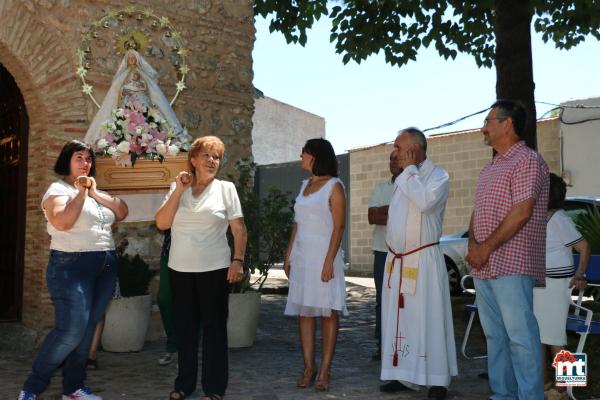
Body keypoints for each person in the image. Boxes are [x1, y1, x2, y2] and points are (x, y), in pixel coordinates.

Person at [17, 140, 128, 400]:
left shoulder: (94, 190)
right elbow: (63, 222)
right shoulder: (57, 190)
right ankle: (32, 388)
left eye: (89, 159)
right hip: (71, 266)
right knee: (70, 331)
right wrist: (80, 193)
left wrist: (94, 193)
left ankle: (73, 388)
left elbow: (122, 211)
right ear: (66, 160)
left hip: (105, 265)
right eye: (79, 158)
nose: (85, 163)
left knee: (87, 329)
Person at [466, 100, 549, 400]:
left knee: (521, 339)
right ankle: (502, 395)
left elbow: (522, 211)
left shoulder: (528, 160)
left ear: (507, 124)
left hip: (513, 265)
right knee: (495, 337)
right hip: (485, 265)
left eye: (488, 121)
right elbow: (478, 212)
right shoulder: (490, 167)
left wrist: (485, 247)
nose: (483, 127)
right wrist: (473, 246)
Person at [155, 136, 247, 400]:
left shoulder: (226, 189)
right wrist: (179, 191)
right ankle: (184, 385)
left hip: (216, 268)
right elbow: (162, 223)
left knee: (214, 330)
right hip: (180, 269)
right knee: (185, 329)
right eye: (206, 155)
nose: (212, 161)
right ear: (193, 160)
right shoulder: (178, 187)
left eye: (216, 156)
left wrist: (238, 260)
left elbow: (239, 230)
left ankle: (214, 389)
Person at [380, 128, 457, 399]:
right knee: (400, 320)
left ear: (414, 148)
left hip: (423, 260)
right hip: (399, 261)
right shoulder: (404, 178)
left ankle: (437, 378)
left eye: (399, 148)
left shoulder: (438, 175)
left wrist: (410, 170)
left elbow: (424, 202)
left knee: (429, 316)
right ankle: (402, 374)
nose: (395, 153)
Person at [284, 138, 348, 392]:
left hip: (325, 257)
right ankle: (309, 366)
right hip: (303, 257)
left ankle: (325, 369)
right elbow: (297, 223)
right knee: (305, 312)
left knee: (327, 312)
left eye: (305, 152)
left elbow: (339, 226)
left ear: (315, 156)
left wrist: (329, 261)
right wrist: (288, 254)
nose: (301, 156)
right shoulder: (304, 186)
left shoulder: (334, 186)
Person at [534, 173, 590, 399]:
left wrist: (580, 273)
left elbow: (584, 248)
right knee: (537, 336)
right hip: (539, 285)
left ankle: (566, 388)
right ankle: (543, 382)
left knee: (557, 337)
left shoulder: (559, 218)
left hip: (557, 286)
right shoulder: (537, 218)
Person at [84, 49, 182, 144]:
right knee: (125, 118)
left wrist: (138, 89)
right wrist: (125, 92)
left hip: (142, 101)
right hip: (127, 102)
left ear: (137, 59)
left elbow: (148, 89)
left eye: (133, 58)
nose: (131, 60)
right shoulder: (123, 76)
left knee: (146, 115)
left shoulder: (142, 74)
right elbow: (118, 92)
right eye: (129, 58)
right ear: (126, 60)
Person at [367, 152, 402, 361]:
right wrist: (396, 211)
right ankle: (382, 345)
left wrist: (386, 210)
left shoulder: (413, 187)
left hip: (406, 253)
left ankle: (403, 344)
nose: (393, 161)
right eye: (390, 158)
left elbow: (409, 216)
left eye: (397, 158)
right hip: (382, 252)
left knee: (403, 299)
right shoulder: (381, 188)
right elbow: (373, 217)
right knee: (382, 300)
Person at [156, 229, 179, 366]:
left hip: (192, 253)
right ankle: (173, 344)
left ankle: (185, 350)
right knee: (164, 299)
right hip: (169, 253)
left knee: (189, 302)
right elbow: (161, 225)